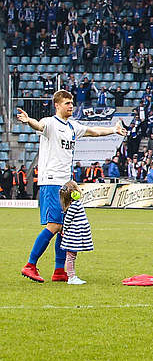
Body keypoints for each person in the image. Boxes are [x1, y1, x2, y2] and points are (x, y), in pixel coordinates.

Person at [16, 91, 126, 283]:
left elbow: (94, 132)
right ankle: (30, 265)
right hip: (51, 181)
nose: (71, 106)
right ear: (57, 105)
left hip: (66, 184)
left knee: (65, 227)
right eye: (67, 103)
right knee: (55, 225)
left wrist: (113, 130)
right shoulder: (50, 123)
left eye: (72, 103)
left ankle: (59, 270)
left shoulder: (72, 126)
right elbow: (38, 125)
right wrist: (28, 121)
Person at [58, 181, 93, 285]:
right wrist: (64, 230)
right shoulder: (75, 205)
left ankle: (72, 276)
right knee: (71, 256)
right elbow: (68, 220)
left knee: (71, 256)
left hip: (74, 234)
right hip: (73, 235)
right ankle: (71, 277)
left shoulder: (74, 205)